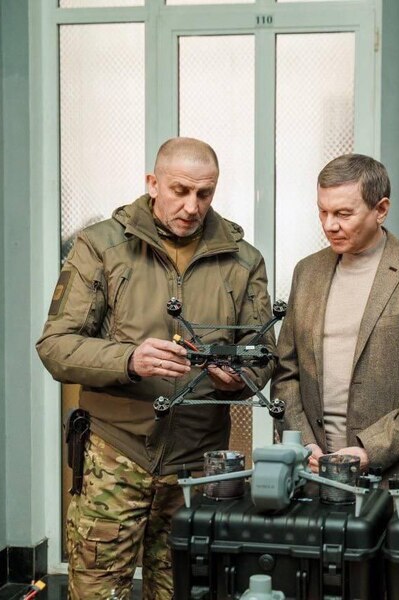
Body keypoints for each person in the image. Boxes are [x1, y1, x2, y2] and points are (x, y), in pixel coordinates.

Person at [36, 137, 275, 600]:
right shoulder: (102, 247)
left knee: (185, 592)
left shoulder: (243, 260)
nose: (192, 206)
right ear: (153, 183)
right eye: (180, 190)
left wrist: (239, 378)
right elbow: (55, 346)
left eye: (204, 194)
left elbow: (262, 352)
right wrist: (129, 359)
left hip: (199, 466)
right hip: (114, 455)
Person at [273, 153, 399, 486]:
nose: (329, 225)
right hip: (313, 474)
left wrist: (370, 450)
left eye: (343, 213)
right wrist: (302, 441)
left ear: (381, 209)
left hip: (395, 477)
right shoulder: (307, 271)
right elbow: (286, 370)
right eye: (323, 211)